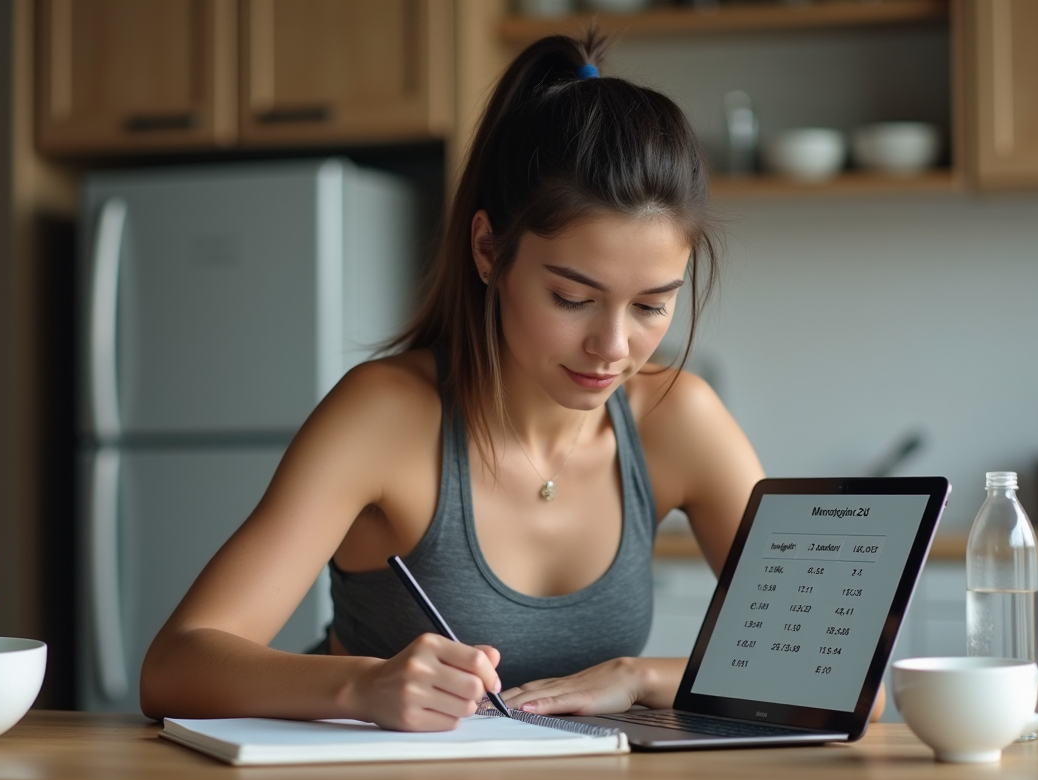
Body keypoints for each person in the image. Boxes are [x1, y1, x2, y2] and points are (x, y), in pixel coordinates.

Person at [142, 29, 872, 731]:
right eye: (572, 298)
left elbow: (845, 680)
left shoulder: (678, 419)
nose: (614, 347)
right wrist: (363, 685)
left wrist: (643, 677)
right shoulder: (386, 416)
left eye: (653, 305)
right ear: (490, 250)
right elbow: (174, 667)